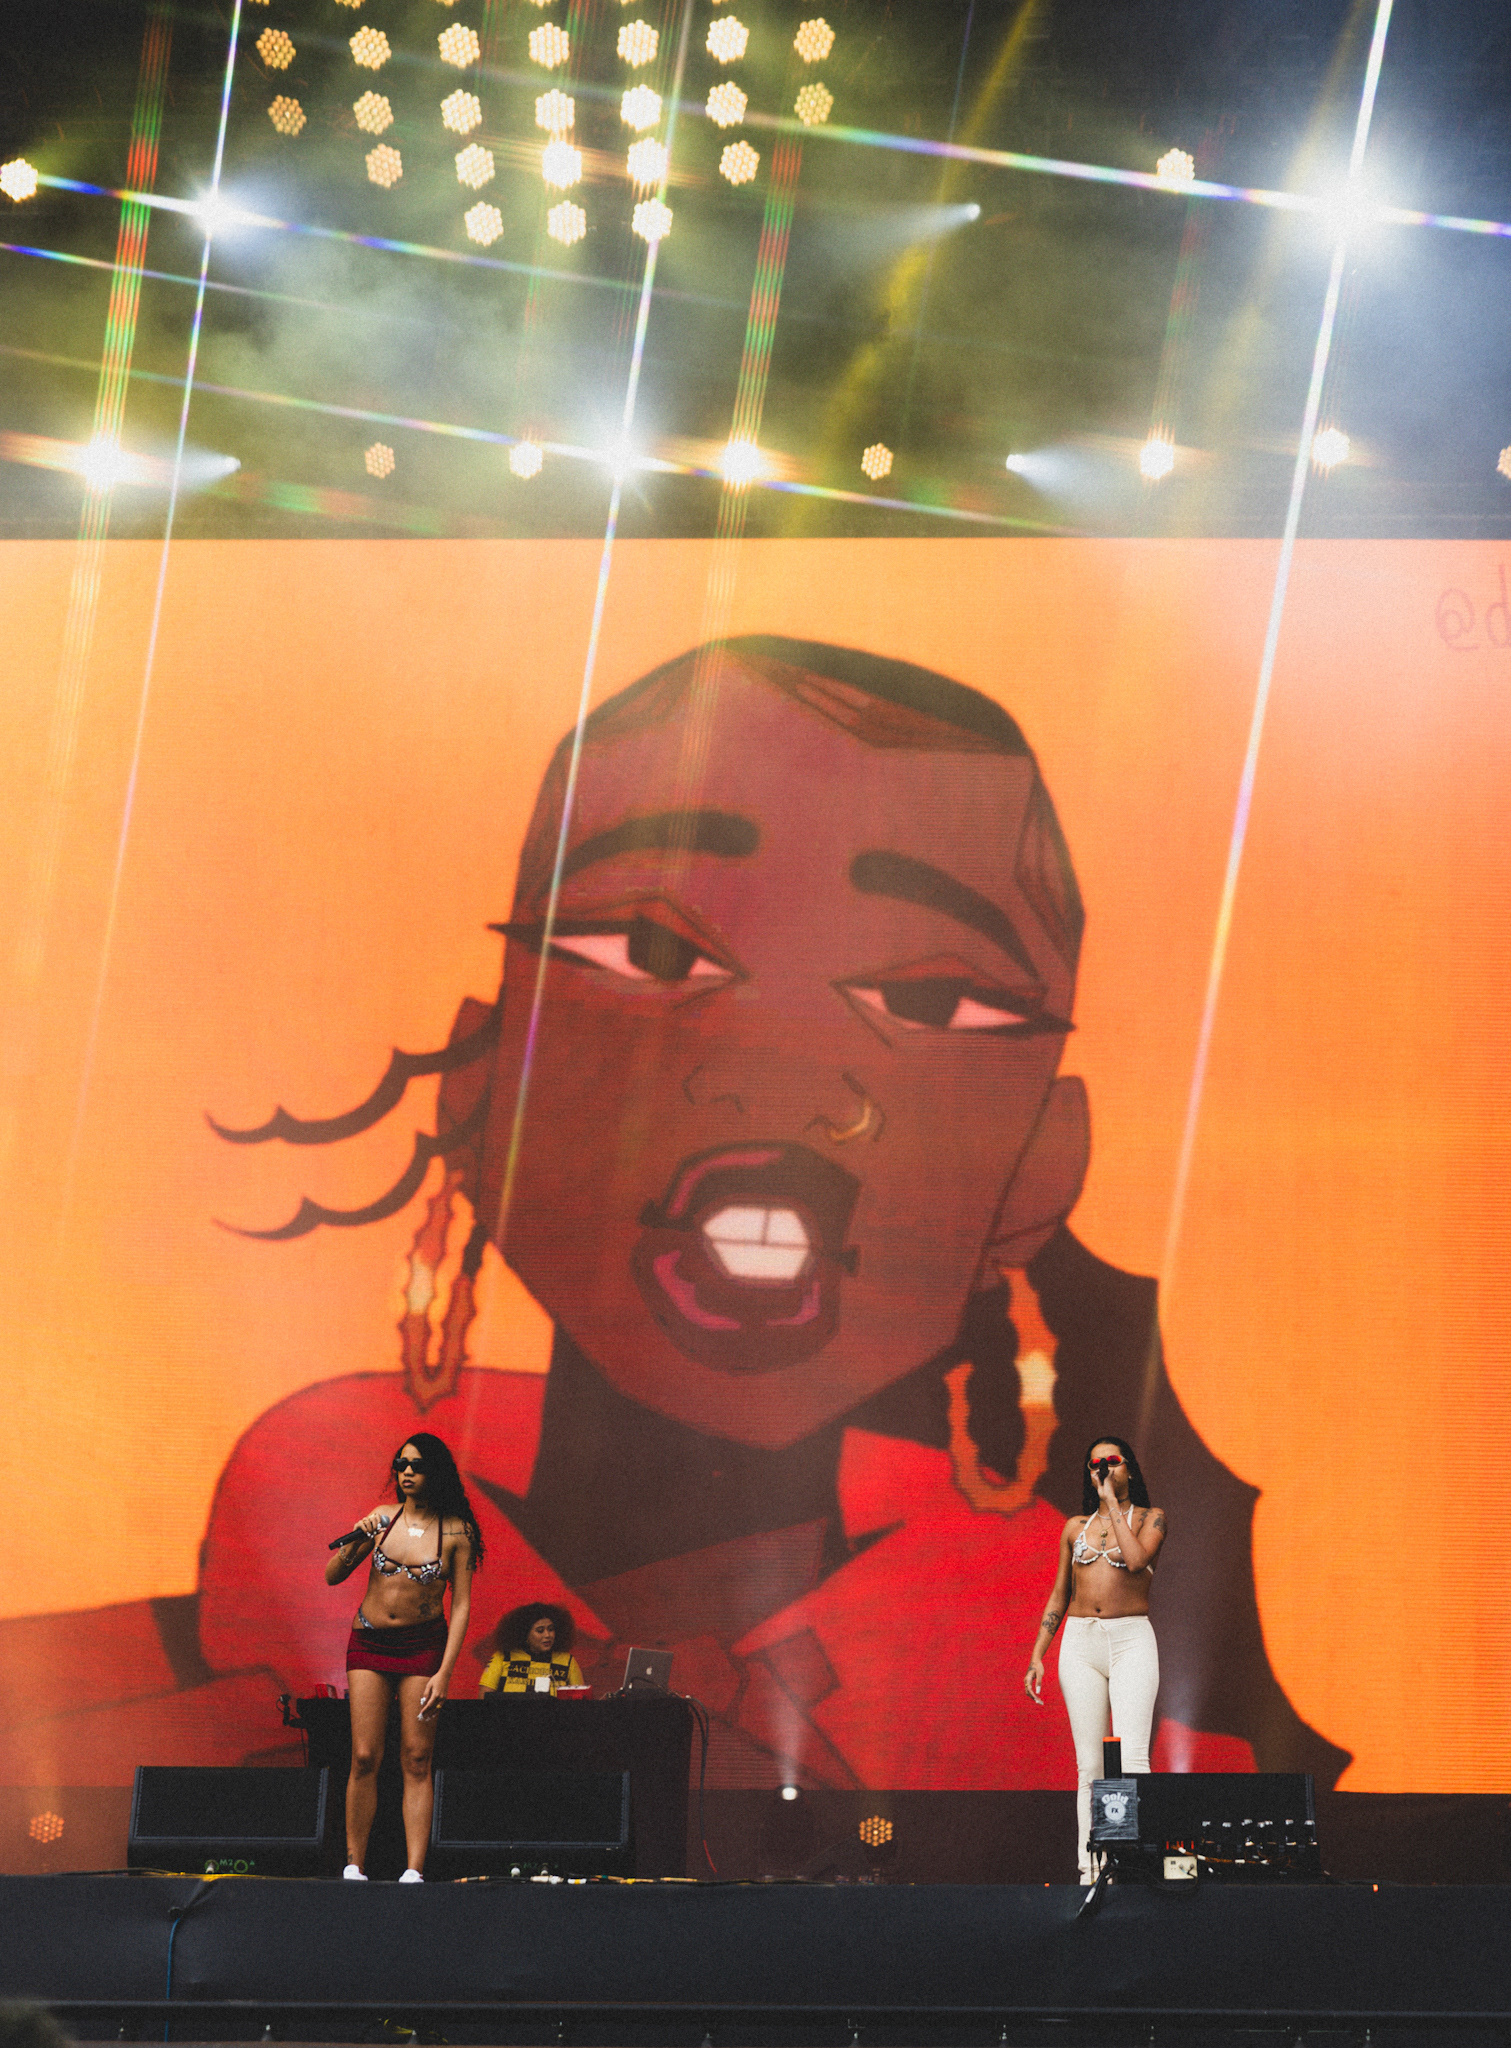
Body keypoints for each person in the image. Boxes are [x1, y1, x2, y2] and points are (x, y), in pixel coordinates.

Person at [4, 637, 1347, 1800]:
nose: (777, 1071)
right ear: (481, 1085)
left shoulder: (1091, 1724)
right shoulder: (127, 1686)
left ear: (1041, 1165)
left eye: (929, 999)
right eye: (650, 951)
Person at [325, 1430, 482, 1881]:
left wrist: (445, 1672)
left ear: (436, 1472)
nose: (407, 1472)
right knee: (364, 1755)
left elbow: (461, 1605)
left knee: (416, 1756)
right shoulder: (382, 1517)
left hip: (423, 1646)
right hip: (370, 1642)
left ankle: (413, 1870)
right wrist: (359, 1539)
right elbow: (332, 1575)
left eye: (417, 1465)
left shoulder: (456, 1530)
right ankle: (353, 1864)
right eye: (401, 1464)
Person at [1025, 1435, 1166, 1881]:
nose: (1103, 1468)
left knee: (1132, 1759)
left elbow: (1136, 1559)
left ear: (1130, 1469)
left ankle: (1134, 1864)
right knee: (1089, 1765)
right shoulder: (1074, 1528)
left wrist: (1111, 1504)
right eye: (1095, 1464)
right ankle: (1091, 1867)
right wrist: (1038, 1654)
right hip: (1080, 1641)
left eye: (1112, 1460)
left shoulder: (1151, 1518)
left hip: (1130, 1640)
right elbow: (1059, 1594)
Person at [479, 1602, 585, 1694]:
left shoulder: (567, 1661)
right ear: (525, 1634)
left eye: (551, 1629)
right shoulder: (503, 1657)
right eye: (540, 1630)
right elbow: (485, 1697)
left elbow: (580, 1700)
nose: (547, 1635)